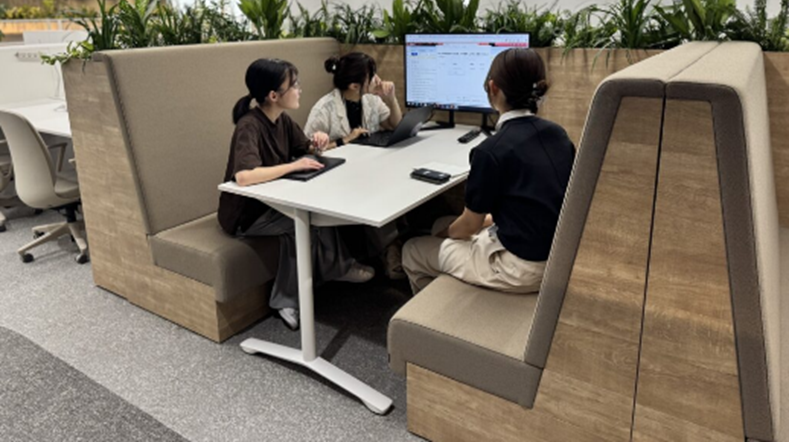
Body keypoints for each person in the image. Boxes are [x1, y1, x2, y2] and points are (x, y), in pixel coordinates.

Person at [401, 48, 575, 295]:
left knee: (412, 249)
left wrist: (444, 236)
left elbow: (470, 225)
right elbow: (538, 202)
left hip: (520, 268)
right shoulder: (558, 134)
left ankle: (444, 307)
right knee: (441, 222)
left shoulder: (490, 151)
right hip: (560, 257)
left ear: (493, 88)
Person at [218, 58, 375, 331]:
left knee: (319, 208)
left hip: (271, 202)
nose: (300, 89)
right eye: (294, 85)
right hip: (246, 214)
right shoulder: (249, 125)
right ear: (274, 95)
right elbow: (244, 176)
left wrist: (319, 143)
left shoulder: (282, 120)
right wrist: (293, 166)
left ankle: (337, 267)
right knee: (301, 222)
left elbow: (306, 149)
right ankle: (286, 300)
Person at [304, 52, 406, 279]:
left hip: (366, 167)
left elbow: (395, 125)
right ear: (354, 85)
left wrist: (390, 97)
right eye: (372, 75)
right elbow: (308, 149)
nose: (377, 79)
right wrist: (344, 140)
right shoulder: (324, 109)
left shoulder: (370, 100)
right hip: (337, 177)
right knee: (378, 190)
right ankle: (389, 249)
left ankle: (391, 247)